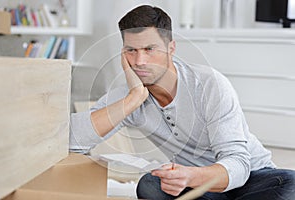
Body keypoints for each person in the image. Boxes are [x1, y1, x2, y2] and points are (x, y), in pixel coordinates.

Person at [70, 5, 295, 200]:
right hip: (200, 187)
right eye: (131, 51)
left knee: (290, 185)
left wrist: (190, 175)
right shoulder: (129, 95)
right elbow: (71, 141)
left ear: (171, 48)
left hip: (252, 177)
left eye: (149, 49)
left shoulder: (209, 84)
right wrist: (132, 100)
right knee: (150, 185)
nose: (140, 61)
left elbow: (238, 164)